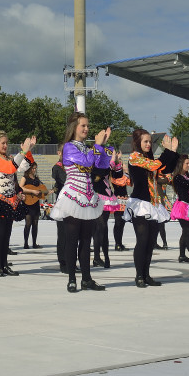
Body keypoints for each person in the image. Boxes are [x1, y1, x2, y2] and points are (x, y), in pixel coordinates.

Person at [51, 112, 113, 292]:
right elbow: (86, 163)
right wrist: (97, 146)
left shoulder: (88, 148)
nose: (86, 129)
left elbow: (102, 165)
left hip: (88, 197)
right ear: (74, 127)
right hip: (73, 196)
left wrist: (103, 145)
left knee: (86, 241)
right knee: (72, 240)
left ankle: (87, 279)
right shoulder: (69, 147)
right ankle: (72, 279)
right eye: (83, 125)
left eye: (87, 125)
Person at [125, 128, 179, 288]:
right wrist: (167, 152)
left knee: (150, 242)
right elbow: (154, 166)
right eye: (146, 141)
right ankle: (139, 276)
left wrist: (173, 153)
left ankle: (146, 275)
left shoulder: (150, 158)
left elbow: (165, 171)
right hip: (140, 204)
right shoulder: (134, 157)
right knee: (142, 241)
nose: (149, 144)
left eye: (150, 141)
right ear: (137, 142)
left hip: (153, 204)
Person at [0, 130, 37, 277]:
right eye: (3, 143)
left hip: (11, 200)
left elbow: (25, 166)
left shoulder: (8, 158)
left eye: (7, 143)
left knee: (6, 234)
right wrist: (23, 151)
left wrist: (28, 150)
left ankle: (4, 264)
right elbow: (10, 168)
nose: (5, 145)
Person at [171, 154, 189, 265]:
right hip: (182, 206)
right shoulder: (178, 177)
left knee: (186, 231)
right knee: (187, 231)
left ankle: (182, 255)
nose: (188, 165)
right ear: (181, 164)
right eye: (186, 163)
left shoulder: (188, 177)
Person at [91, 154, 117, 269]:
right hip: (96, 198)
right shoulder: (93, 167)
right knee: (99, 228)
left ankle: (104, 257)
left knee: (103, 229)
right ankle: (98, 257)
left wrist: (115, 163)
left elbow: (116, 174)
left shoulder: (105, 167)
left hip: (106, 197)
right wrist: (112, 161)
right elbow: (102, 171)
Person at [21, 163, 48, 249]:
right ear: (29, 168)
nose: (34, 170)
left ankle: (34, 243)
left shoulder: (36, 178)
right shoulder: (24, 177)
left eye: (35, 168)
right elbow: (20, 187)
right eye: (33, 168)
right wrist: (32, 191)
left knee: (35, 223)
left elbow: (42, 189)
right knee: (28, 223)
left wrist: (46, 192)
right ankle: (25, 243)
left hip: (35, 203)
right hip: (27, 203)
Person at [110, 156, 131, 251]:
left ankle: (120, 243)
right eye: (121, 164)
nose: (123, 166)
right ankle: (117, 244)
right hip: (118, 200)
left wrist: (127, 172)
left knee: (122, 223)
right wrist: (126, 173)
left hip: (124, 200)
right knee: (118, 222)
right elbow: (121, 182)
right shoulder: (115, 175)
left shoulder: (123, 175)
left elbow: (130, 183)